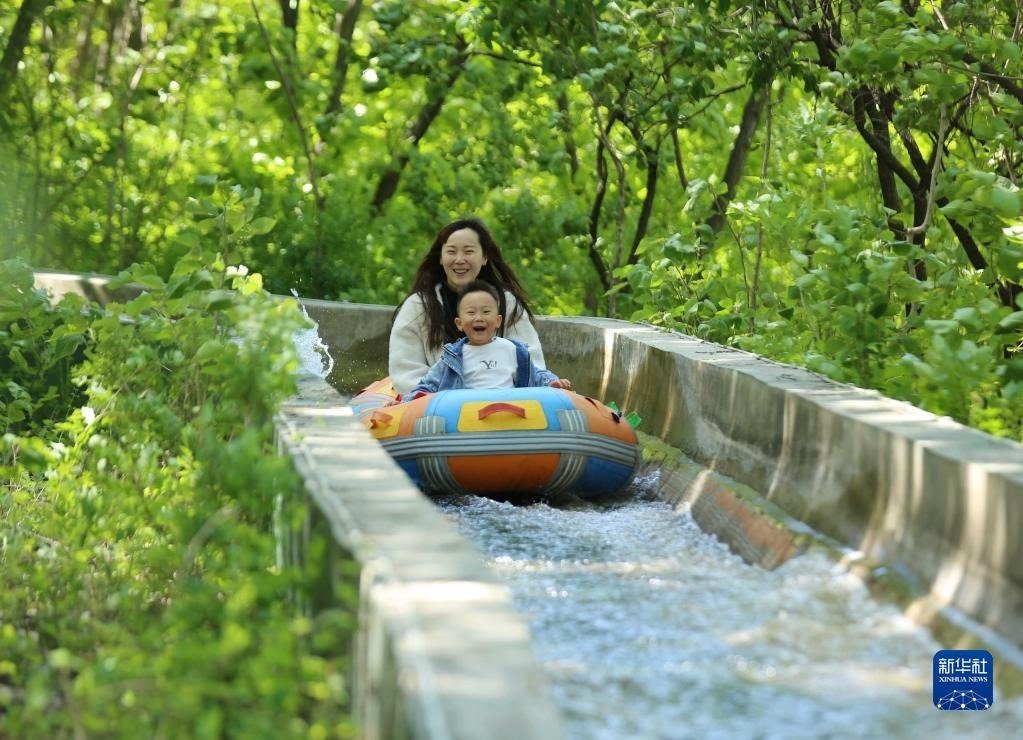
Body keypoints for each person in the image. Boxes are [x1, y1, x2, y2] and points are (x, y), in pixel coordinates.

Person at [388, 216, 548, 395]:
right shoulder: (418, 306)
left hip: (503, 400)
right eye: (451, 251)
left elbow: (532, 362)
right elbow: (405, 369)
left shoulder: (507, 302)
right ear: (440, 257)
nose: (459, 259)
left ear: (484, 257)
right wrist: (443, 399)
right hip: (438, 402)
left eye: (468, 251)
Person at [408, 281, 571, 396]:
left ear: (498, 321)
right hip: (465, 413)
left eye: (486, 312)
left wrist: (551, 382)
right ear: (459, 323)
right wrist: (412, 398)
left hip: (507, 410)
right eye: (471, 313)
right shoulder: (452, 356)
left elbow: (536, 375)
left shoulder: (513, 350)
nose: (479, 317)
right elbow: (429, 383)